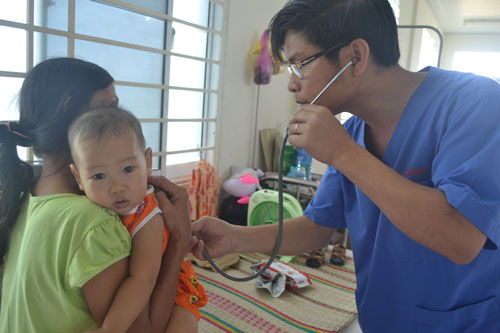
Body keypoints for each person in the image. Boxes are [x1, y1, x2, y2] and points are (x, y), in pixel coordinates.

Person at [191, 0, 500, 331]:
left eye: (300, 65)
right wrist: (236, 237)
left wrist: (342, 153)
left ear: (355, 56)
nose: (292, 84)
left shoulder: (474, 102)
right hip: (382, 319)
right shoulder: (352, 132)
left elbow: (463, 239)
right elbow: (317, 227)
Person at [0, 58, 194, 332]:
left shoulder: (24, 197)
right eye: (109, 108)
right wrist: (180, 241)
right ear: (72, 115)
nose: (118, 121)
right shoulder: (93, 224)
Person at [68, 107, 206, 332]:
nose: (117, 187)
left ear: (147, 161)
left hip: (177, 290)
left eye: (128, 169)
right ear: (78, 177)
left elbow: (141, 279)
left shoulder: (147, 216)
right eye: (99, 176)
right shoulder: (86, 212)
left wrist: (109, 329)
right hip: (142, 293)